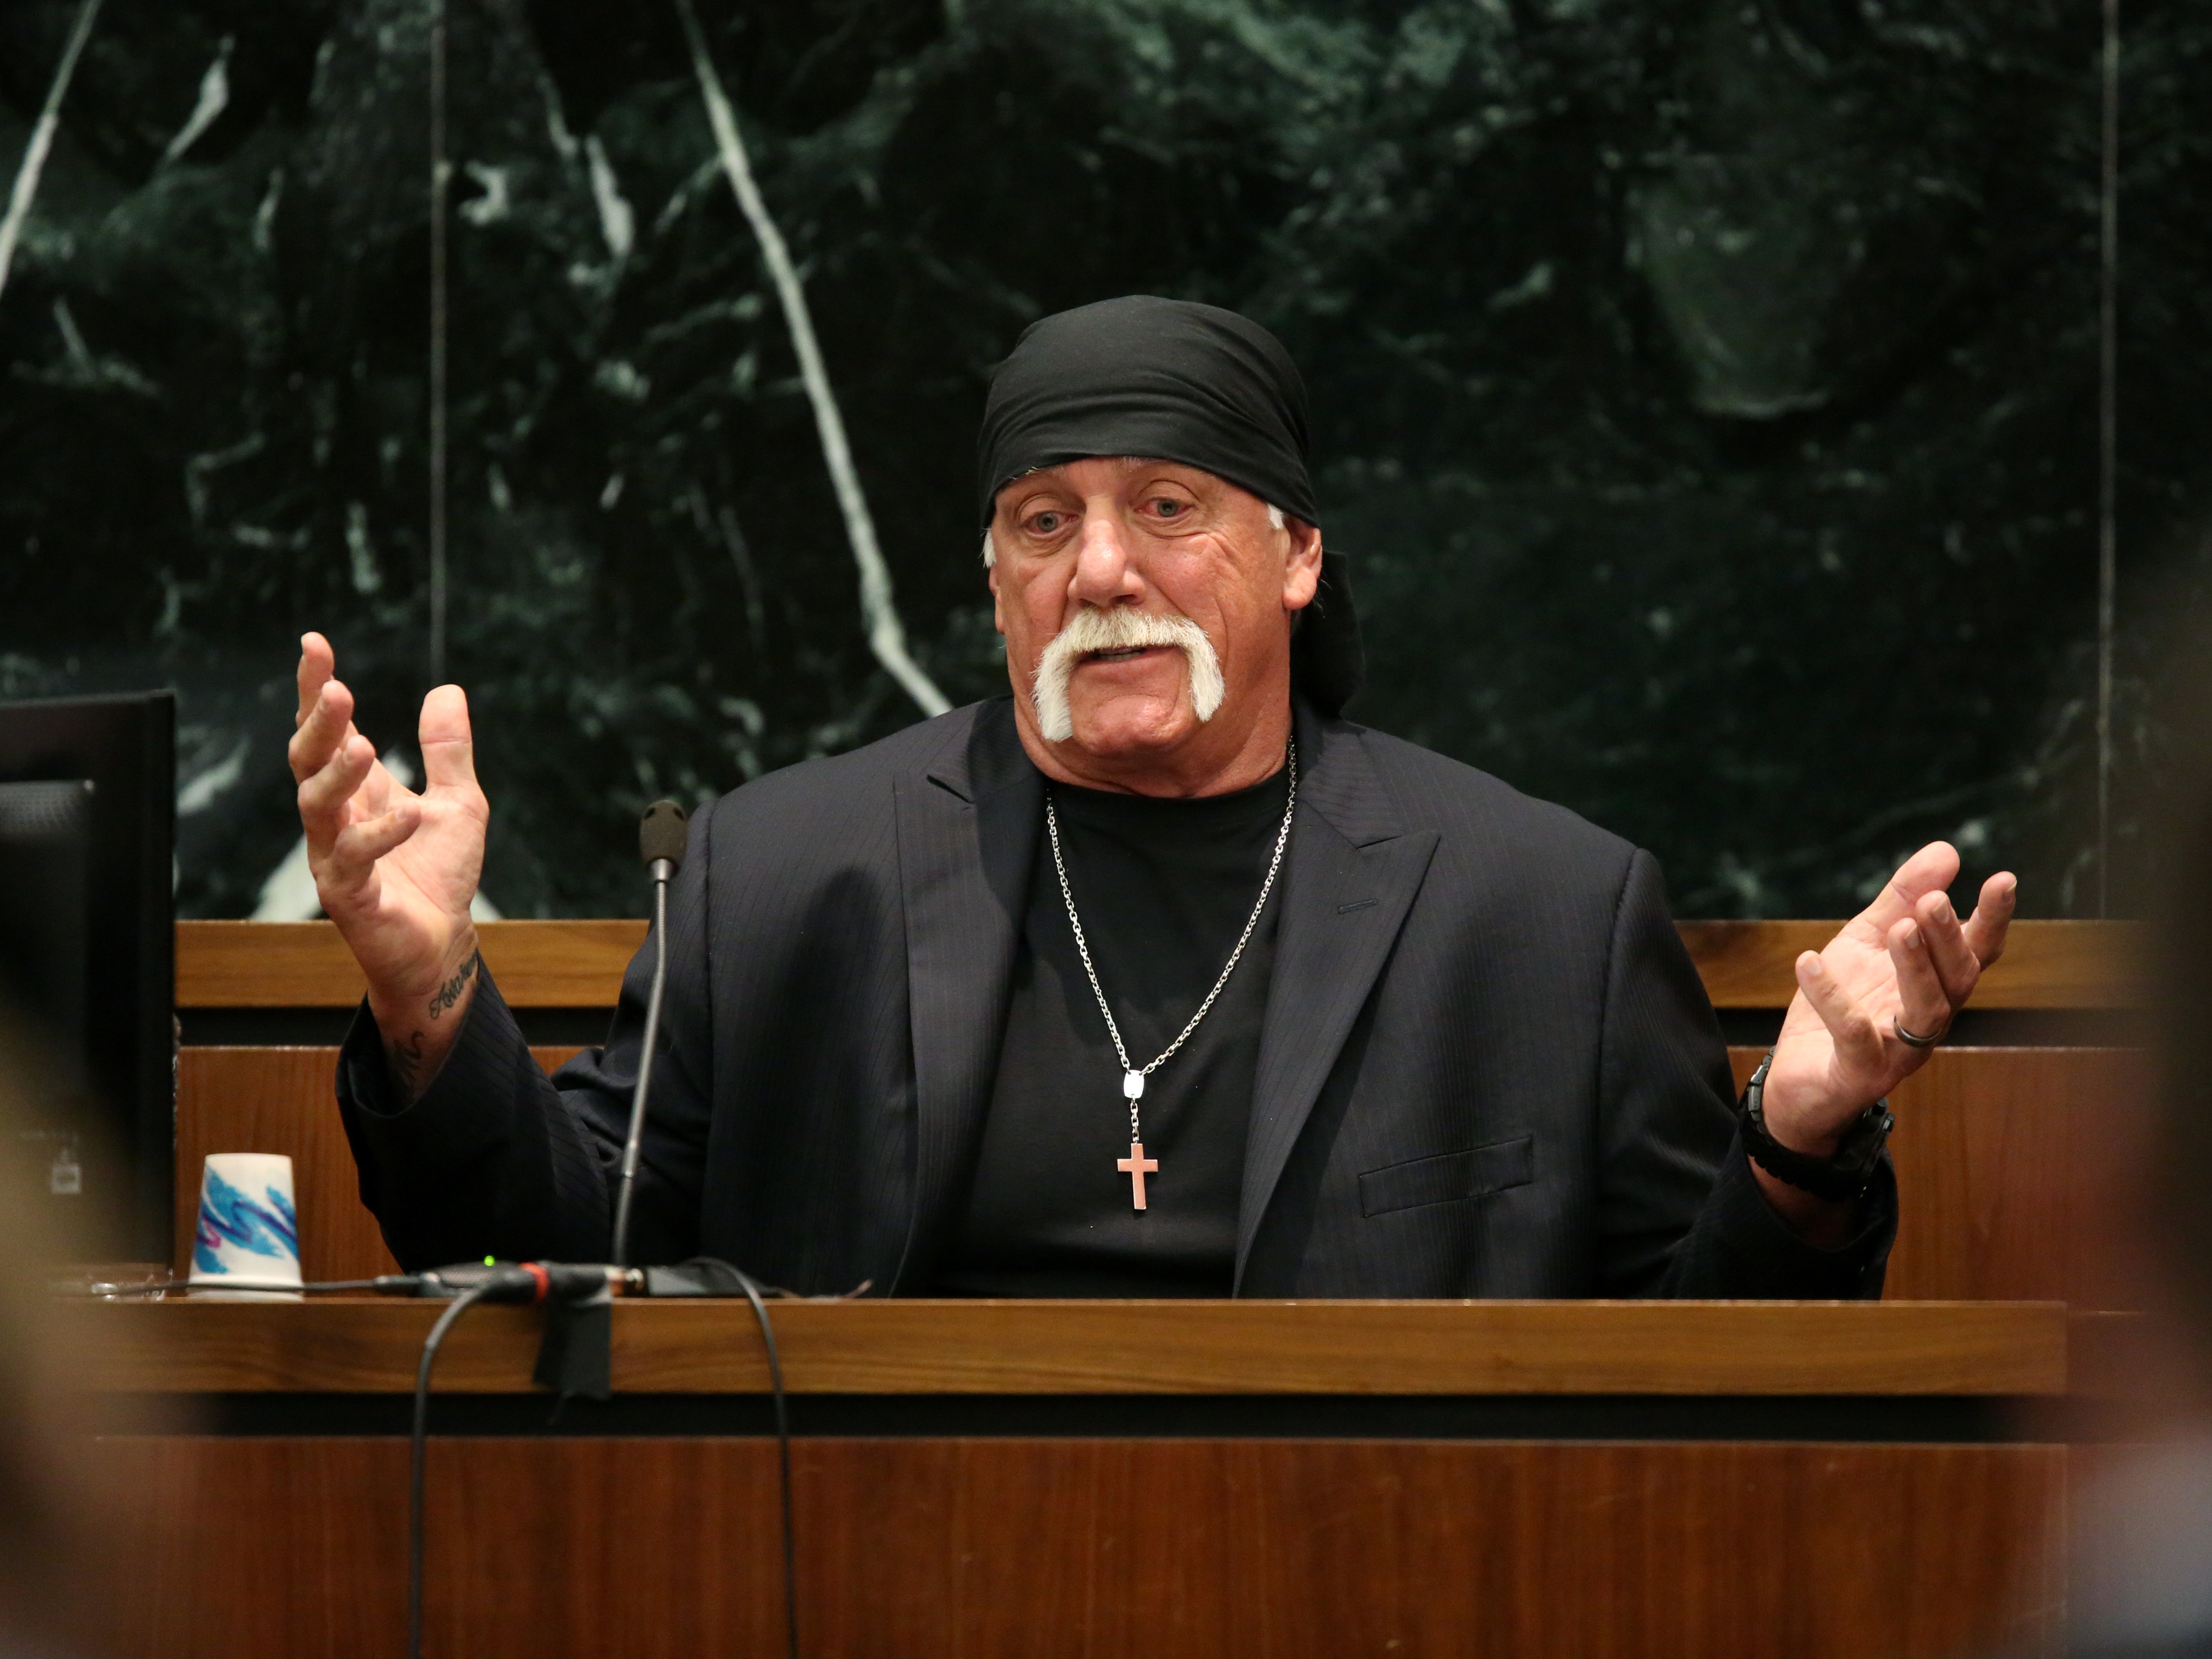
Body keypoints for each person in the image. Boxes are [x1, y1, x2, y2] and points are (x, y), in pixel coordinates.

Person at [293, 295, 2014, 1296]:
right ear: (994, 584)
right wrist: (427, 991)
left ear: (1298, 557)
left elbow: (1697, 1376)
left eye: (1169, 507)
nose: (1102, 567)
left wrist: (1795, 1137)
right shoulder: (785, 871)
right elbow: (554, 1259)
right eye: (1043, 521)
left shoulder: (1537, 910)